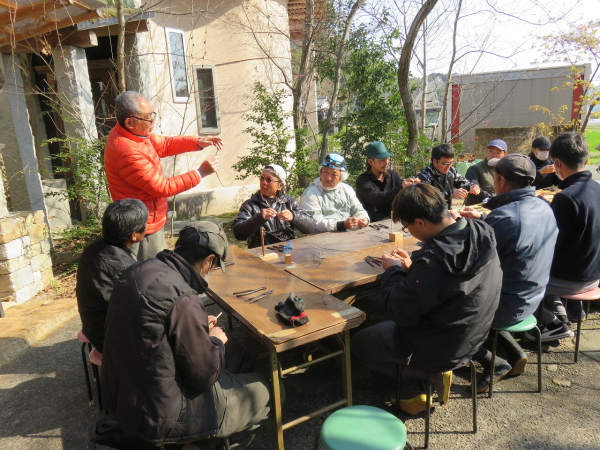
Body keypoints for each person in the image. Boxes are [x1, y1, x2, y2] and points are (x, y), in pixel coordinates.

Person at [101, 222, 272, 448]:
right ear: (209, 259)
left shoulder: (137, 270)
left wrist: (196, 325)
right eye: (213, 265)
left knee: (242, 360)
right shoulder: (183, 298)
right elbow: (203, 375)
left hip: (126, 393)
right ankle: (199, 444)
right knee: (268, 389)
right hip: (165, 412)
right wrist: (216, 340)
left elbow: (156, 329)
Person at [351, 184, 502, 414]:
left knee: (357, 344)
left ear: (420, 223)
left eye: (406, 227)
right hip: (475, 335)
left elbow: (399, 310)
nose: (408, 231)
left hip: (439, 346)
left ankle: (424, 377)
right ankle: (423, 376)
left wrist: (392, 271)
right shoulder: (480, 230)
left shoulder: (434, 260)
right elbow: (447, 281)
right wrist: (415, 267)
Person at [459, 154, 558, 391]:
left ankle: (493, 363)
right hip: (534, 299)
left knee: (443, 304)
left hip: (507, 305)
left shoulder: (504, 218)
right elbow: (514, 228)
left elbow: (468, 264)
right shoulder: (543, 206)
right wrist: (484, 218)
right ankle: (515, 352)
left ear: (501, 181)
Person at [105, 90, 223, 261]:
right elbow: (162, 187)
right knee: (152, 272)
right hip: (141, 228)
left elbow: (164, 144)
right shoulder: (126, 150)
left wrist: (196, 142)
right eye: (148, 117)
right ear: (129, 122)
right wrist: (200, 173)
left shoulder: (135, 135)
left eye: (152, 114)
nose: (152, 121)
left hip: (146, 220)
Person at [525, 132, 600, 341]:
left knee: (515, 273)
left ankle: (554, 323)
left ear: (556, 163)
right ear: (586, 161)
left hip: (573, 279)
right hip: (594, 274)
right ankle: (563, 312)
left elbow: (551, 246)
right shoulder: (597, 189)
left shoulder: (566, 198)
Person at [76, 199, 148, 353]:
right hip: (109, 338)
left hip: (92, 325)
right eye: (145, 224)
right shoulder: (125, 269)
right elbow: (141, 310)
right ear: (134, 235)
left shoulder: (93, 249)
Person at [232, 164, 315, 248]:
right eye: (262, 178)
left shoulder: (290, 203)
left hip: (286, 251)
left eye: (269, 180)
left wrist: (294, 216)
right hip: (260, 253)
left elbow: (310, 227)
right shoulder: (250, 205)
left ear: (280, 186)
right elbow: (238, 233)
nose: (264, 182)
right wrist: (259, 218)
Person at [300, 153, 369, 233]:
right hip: (322, 238)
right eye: (326, 172)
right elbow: (314, 223)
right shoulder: (311, 193)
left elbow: (358, 210)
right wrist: (341, 225)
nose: (328, 178)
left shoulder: (347, 189)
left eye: (334, 174)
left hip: (350, 235)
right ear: (321, 172)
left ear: (341, 177)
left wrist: (364, 219)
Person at [355, 141, 419, 222]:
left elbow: (402, 194)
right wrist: (401, 187)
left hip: (393, 221)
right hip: (372, 224)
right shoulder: (363, 180)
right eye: (381, 160)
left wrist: (412, 185)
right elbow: (377, 199)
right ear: (370, 162)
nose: (386, 163)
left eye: (387, 159)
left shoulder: (392, 175)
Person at [417, 143, 480, 209]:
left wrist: (472, 186)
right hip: (430, 212)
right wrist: (452, 194)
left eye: (451, 163)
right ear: (435, 161)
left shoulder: (451, 171)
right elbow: (427, 197)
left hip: (447, 211)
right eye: (445, 163)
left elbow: (463, 182)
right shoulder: (424, 175)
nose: (448, 166)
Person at [464, 139, 508, 206]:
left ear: (505, 155)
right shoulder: (475, 169)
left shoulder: (507, 170)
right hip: (479, 208)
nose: (493, 155)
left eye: (498, 152)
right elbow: (473, 187)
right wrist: (475, 187)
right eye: (491, 151)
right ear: (487, 151)